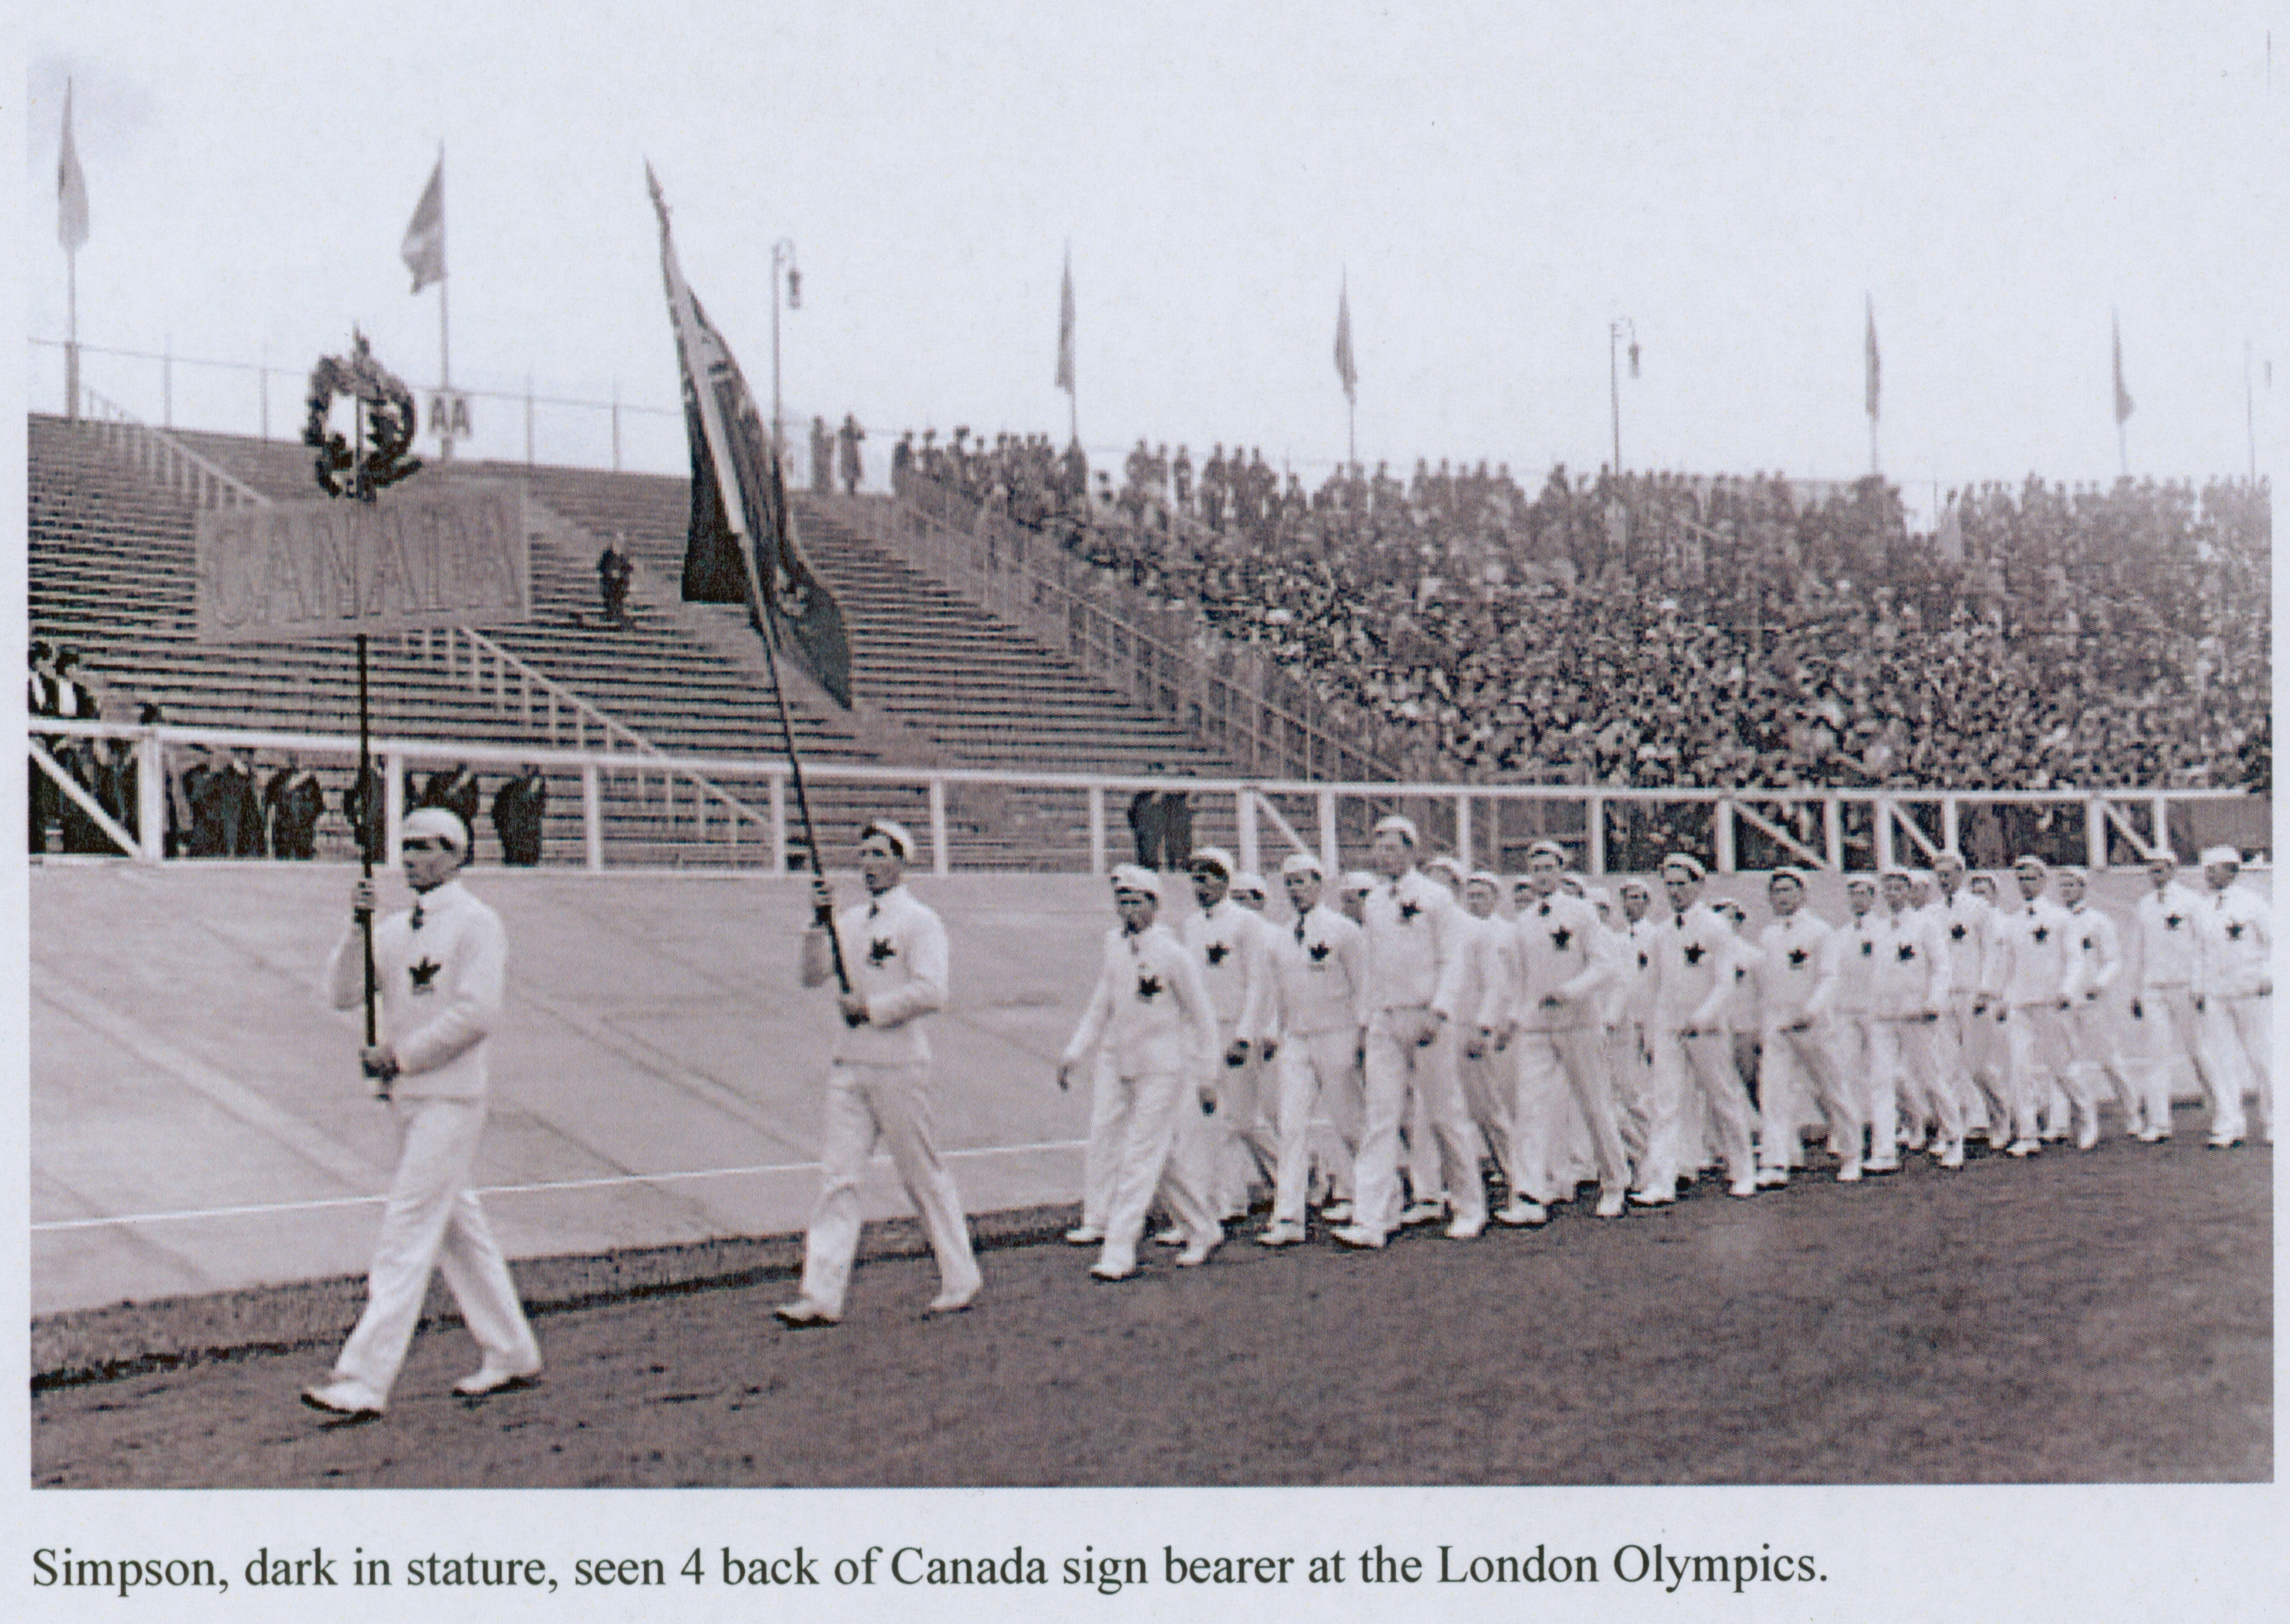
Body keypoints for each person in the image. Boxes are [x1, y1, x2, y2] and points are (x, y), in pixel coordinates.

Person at [302, 807, 543, 1418]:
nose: (411, 858)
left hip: (452, 1097)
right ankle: (512, 1350)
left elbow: (477, 1014)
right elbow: (342, 993)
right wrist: (356, 929)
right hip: (410, 1102)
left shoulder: (477, 923)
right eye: (406, 848)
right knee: (460, 1233)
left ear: (458, 855)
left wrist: (400, 1057)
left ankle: (362, 1380)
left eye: (427, 848)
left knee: (406, 1232)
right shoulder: (391, 928)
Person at [776, 820, 981, 1326]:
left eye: (878, 853)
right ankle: (821, 1294)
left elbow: (933, 991)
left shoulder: (920, 922)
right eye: (862, 853)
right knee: (837, 1178)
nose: (867, 863)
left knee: (921, 1176)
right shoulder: (848, 920)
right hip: (849, 1065)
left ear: (900, 862)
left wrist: (871, 1008)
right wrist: (816, 922)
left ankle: (959, 1276)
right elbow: (810, 975)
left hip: (899, 1067)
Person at [1057, 864, 1223, 1279]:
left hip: (1164, 1070)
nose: (1127, 910)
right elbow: (1102, 1006)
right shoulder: (1113, 945)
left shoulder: (1173, 954)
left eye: (1136, 901)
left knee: (1138, 1157)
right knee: (1159, 1158)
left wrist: (1206, 1077)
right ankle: (1203, 1227)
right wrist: (1075, 1052)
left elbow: (1203, 1018)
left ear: (1154, 905)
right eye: (1122, 901)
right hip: (1123, 1065)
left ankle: (1118, 1251)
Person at [1332, 814, 1487, 1247]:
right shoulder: (1375, 902)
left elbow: (1452, 961)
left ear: (1411, 851)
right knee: (1380, 1119)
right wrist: (1366, 1025)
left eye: (1393, 848)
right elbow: (1372, 970)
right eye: (1378, 848)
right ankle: (1370, 1219)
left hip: (1427, 1020)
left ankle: (1469, 1207)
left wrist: (1439, 1013)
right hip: (1386, 1019)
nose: (1385, 856)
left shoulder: (1437, 898)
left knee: (1443, 1115)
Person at [1500, 842, 1627, 1219]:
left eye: (1548, 867)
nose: (1541, 874)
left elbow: (1605, 967)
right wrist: (1512, 1021)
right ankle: (1528, 1195)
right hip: (1537, 1030)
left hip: (1580, 1024)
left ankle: (1615, 1183)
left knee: (1594, 1106)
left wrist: (1569, 992)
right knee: (1531, 1110)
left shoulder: (1582, 912)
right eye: (1535, 867)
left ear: (1560, 869)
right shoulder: (1521, 923)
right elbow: (1519, 982)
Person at [1258, 853, 1367, 1245]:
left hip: (1337, 1035)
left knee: (1350, 1125)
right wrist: (1274, 1032)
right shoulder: (1280, 938)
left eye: (1302, 882)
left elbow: (1362, 989)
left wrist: (1362, 1037)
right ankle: (1288, 1218)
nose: (1295, 890)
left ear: (1319, 885)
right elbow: (1276, 995)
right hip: (1297, 1040)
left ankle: (1372, 1200)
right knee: (1291, 1127)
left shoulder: (1343, 931)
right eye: (1289, 883)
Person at [1639, 854, 1761, 1202]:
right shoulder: (1662, 933)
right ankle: (1662, 1182)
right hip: (1670, 1029)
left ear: (1699, 885)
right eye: (1670, 885)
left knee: (1723, 1098)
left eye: (1682, 884)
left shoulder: (1716, 928)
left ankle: (1743, 1171)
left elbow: (1724, 984)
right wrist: (1652, 1032)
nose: (1675, 891)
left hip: (1706, 1029)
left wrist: (1703, 1018)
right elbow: (1655, 986)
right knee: (1665, 1104)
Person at [1178, 849, 1279, 1221]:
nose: (1199, 886)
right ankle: (1230, 1200)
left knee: (1245, 1120)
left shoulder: (1247, 924)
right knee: (1212, 1120)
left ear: (1225, 880)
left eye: (1207, 878)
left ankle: (1301, 1180)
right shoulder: (1191, 925)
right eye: (1195, 879)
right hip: (1204, 1032)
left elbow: (1258, 984)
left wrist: (1245, 1035)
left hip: (1237, 1030)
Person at [1752, 868, 1857, 1185]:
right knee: (1773, 1092)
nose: (1781, 897)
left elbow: (1829, 977)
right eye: (1776, 891)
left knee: (1833, 1090)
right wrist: (1764, 1025)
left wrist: (1809, 1012)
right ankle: (1776, 1161)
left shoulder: (1820, 932)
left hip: (1815, 1027)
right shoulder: (1767, 936)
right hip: (1778, 1026)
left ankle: (1852, 1155)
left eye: (1788, 890)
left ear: (1802, 894)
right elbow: (1764, 987)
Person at [1990, 856, 2080, 1157]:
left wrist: (2066, 991)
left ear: (2043, 881)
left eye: (2031, 878)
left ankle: (2085, 1112)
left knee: (2061, 1066)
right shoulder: (2013, 922)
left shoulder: (2060, 918)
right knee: (2019, 1068)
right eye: (2021, 880)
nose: (2025, 885)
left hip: (2050, 1003)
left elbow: (2075, 959)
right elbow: (2006, 964)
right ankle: (2027, 1134)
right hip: (2020, 1004)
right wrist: (2001, 997)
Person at [1871, 867, 1959, 1167]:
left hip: (1918, 1014)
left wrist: (1934, 1002)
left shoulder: (1926, 925)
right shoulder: (1879, 929)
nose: (1892, 894)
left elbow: (1942, 967)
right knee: (1882, 1080)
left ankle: (1954, 1138)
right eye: (1888, 888)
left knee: (1932, 1078)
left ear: (1909, 892)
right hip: (1885, 1015)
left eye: (1898, 888)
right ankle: (1883, 1152)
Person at [2191, 846, 2271, 1148]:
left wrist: (2270, 975)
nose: (2208, 875)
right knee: (2220, 1058)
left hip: (2250, 989)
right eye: (2207, 869)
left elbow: (2277, 942)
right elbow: (2199, 950)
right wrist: (2197, 986)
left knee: (2262, 1056)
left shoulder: (2253, 904)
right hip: (2215, 992)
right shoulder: (2202, 907)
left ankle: (2276, 1122)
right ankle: (2229, 1124)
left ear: (2231, 870)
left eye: (2213, 869)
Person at [2128, 847, 2207, 1142]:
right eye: (2150, 869)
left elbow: (2202, 946)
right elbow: (2138, 951)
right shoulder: (2145, 905)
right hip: (2154, 988)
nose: (2154, 875)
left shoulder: (2192, 902)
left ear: (2173, 870)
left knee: (2200, 1052)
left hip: (2186, 987)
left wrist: (2199, 986)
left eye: (2159, 869)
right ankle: (2159, 1123)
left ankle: (2224, 1114)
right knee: (2156, 1055)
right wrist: (2136, 990)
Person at [2056, 865, 2136, 1144]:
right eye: (2062, 885)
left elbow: (2114, 959)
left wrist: (2099, 984)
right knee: (2067, 1063)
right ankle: (2073, 1122)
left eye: (2071, 885)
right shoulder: (2056, 922)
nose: (2066, 890)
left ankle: (2133, 1114)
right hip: (2064, 1002)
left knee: (2108, 1060)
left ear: (2083, 888)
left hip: (2094, 1001)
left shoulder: (2099, 922)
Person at [265, 754, 325, 861]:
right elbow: (267, 806)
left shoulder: (311, 783)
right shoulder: (277, 781)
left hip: (304, 839)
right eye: (292, 757)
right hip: (283, 839)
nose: (295, 761)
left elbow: (319, 808)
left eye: (298, 757)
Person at [491, 765, 547, 868]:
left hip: (522, 844)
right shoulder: (509, 790)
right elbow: (496, 812)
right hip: (518, 844)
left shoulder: (535, 787)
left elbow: (539, 810)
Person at [1126, 766, 1164, 869]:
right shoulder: (1140, 797)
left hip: (1156, 838)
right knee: (1145, 861)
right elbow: (1132, 814)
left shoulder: (1165, 797)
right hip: (1144, 836)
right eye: (1152, 773)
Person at [596, 538, 634, 626]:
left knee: (615, 599)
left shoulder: (621, 560)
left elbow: (628, 569)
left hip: (616, 588)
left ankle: (615, 614)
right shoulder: (610, 561)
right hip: (612, 588)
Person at [838, 413, 867, 496]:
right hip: (847, 455)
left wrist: (857, 426)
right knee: (849, 475)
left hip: (853, 455)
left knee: (853, 475)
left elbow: (863, 436)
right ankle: (849, 491)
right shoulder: (844, 431)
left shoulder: (854, 430)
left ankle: (852, 491)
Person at [810, 417, 835, 495]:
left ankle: (826, 490)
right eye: (818, 424)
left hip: (825, 459)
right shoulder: (814, 435)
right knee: (818, 475)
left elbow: (830, 447)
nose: (819, 426)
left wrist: (830, 441)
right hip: (818, 458)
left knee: (826, 474)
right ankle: (818, 489)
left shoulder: (825, 435)